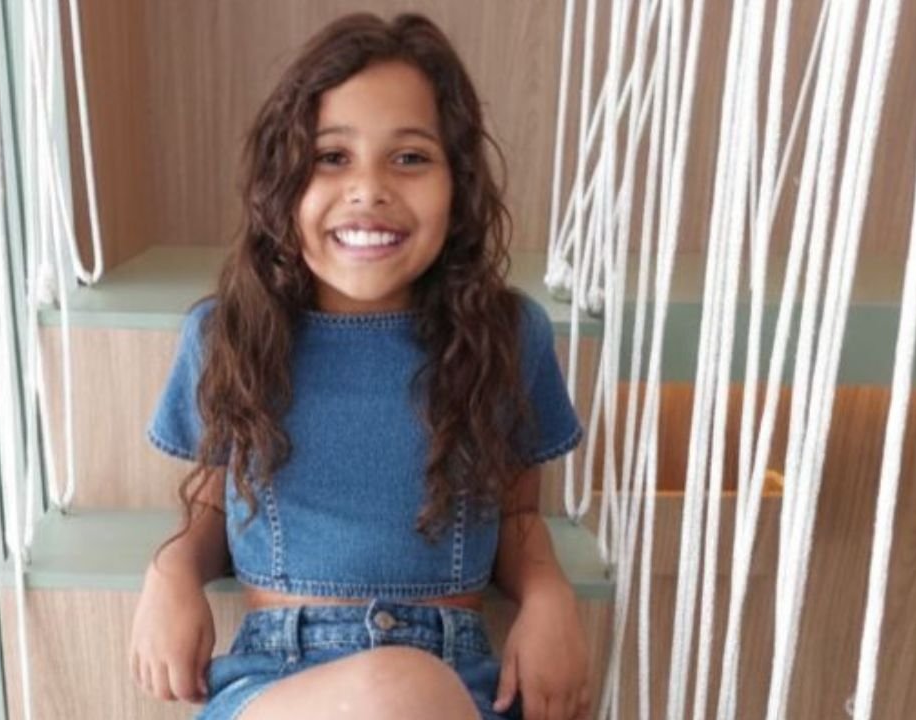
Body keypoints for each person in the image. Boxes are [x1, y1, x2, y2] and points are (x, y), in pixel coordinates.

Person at [129, 12, 588, 720]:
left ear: (459, 185)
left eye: (409, 158)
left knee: (400, 690)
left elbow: (519, 510)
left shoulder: (506, 336)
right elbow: (215, 503)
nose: (369, 188)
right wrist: (172, 571)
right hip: (274, 680)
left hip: (454, 686)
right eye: (332, 157)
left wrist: (548, 593)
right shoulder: (228, 336)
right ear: (283, 180)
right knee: (390, 689)